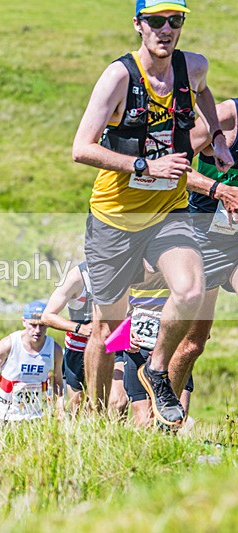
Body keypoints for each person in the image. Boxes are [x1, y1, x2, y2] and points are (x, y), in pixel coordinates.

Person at [71, 0, 234, 428]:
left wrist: (216, 137)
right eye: (156, 21)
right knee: (108, 329)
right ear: (138, 25)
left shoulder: (193, 66)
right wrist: (145, 165)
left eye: (174, 21)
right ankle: (94, 418)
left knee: (191, 290)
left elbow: (203, 92)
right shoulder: (119, 77)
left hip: (169, 212)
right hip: (115, 218)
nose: (166, 29)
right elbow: (81, 148)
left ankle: (157, 370)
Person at [162, 99, 238, 398]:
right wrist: (219, 191)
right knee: (192, 344)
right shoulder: (223, 118)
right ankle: (163, 417)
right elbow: (171, 166)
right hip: (206, 239)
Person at [42, 262, 127, 413]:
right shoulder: (77, 277)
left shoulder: (123, 270)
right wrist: (80, 328)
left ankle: (118, 434)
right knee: (79, 407)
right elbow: (47, 316)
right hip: (78, 349)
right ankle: (90, 433)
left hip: (114, 345)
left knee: (119, 402)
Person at [122, 274, 195, 426]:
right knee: (144, 422)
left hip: (173, 351)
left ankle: (167, 449)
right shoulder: (133, 264)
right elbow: (116, 309)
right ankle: (148, 450)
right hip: (139, 348)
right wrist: (124, 333)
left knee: (177, 419)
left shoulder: (183, 267)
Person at [0, 302, 64, 423]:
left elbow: (58, 382)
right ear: (24, 321)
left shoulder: (54, 349)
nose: (37, 330)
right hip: (7, 415)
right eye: (33, 325)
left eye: (42, 325)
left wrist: (60, 408)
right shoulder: (9, 344)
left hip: (39, 416)